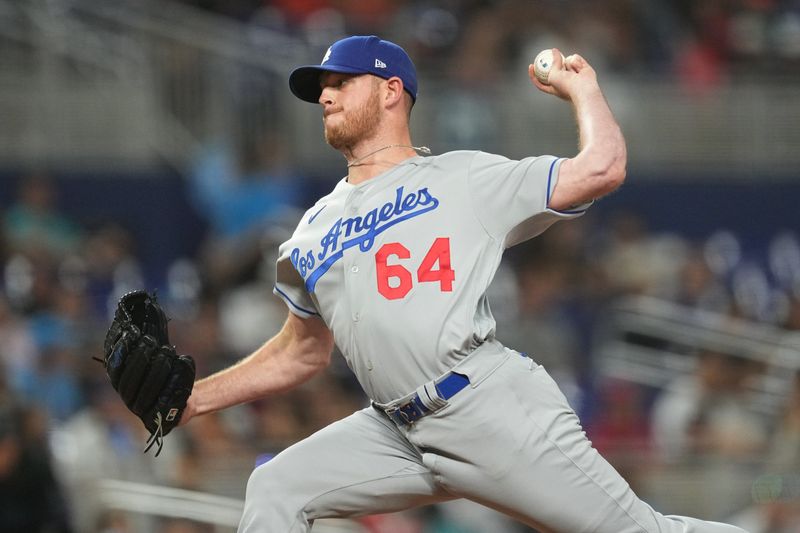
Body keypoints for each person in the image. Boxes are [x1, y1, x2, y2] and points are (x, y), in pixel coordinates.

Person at [179, 35, 747, 532]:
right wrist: (193, 399)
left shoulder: (464, 177)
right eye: (321, 88)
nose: (325, 96)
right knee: (276, 488)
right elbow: (300, 353)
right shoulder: (309, 229)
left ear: (390, 91)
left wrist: (582, 89)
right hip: (392, 429)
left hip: (482, 404)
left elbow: (602, 168)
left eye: (341, 83)